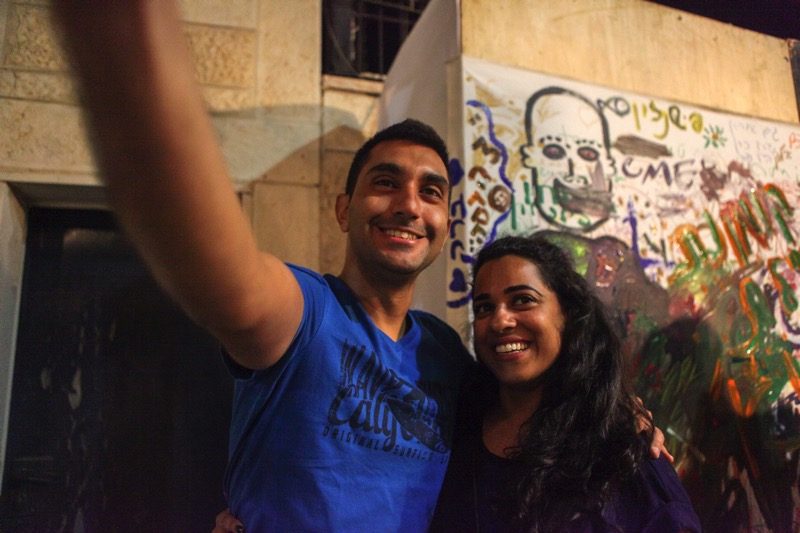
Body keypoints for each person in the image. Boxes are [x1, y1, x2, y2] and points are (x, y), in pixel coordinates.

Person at [52, 3, 669, 531]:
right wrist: (124, 42)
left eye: (431, 192)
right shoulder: (302, 314)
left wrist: (622, 414)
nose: (409, 204)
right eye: (385, 182)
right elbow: (210, 265)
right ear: (345, 208)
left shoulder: (446, 356)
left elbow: (532, 392)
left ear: (444, 225)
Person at [429, 235, 700, 532]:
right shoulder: (454, 432)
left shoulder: (623, 451)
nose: (500, 321)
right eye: (484, 307)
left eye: (523, 300)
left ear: (568, 315)